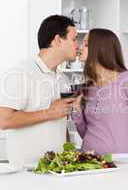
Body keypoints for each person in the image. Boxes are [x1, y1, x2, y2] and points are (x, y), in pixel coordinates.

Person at [0, 15, 79, 164]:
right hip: (26, 171)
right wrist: (50, 112)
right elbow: (4, 120)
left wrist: (69, 153)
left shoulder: (63, 80)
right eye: (74, 39)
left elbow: (61, 124)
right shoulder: (21, 73)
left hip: (58, 167)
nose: (78, 45)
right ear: (58, 40)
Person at [72, 28, 128, 155]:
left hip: (117, 163)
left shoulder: (127, 80)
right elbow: (86, 133)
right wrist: (77, 111)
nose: (80, 47)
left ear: (101, 49)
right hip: (87, 160)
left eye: (86, 44)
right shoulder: (89, 86)